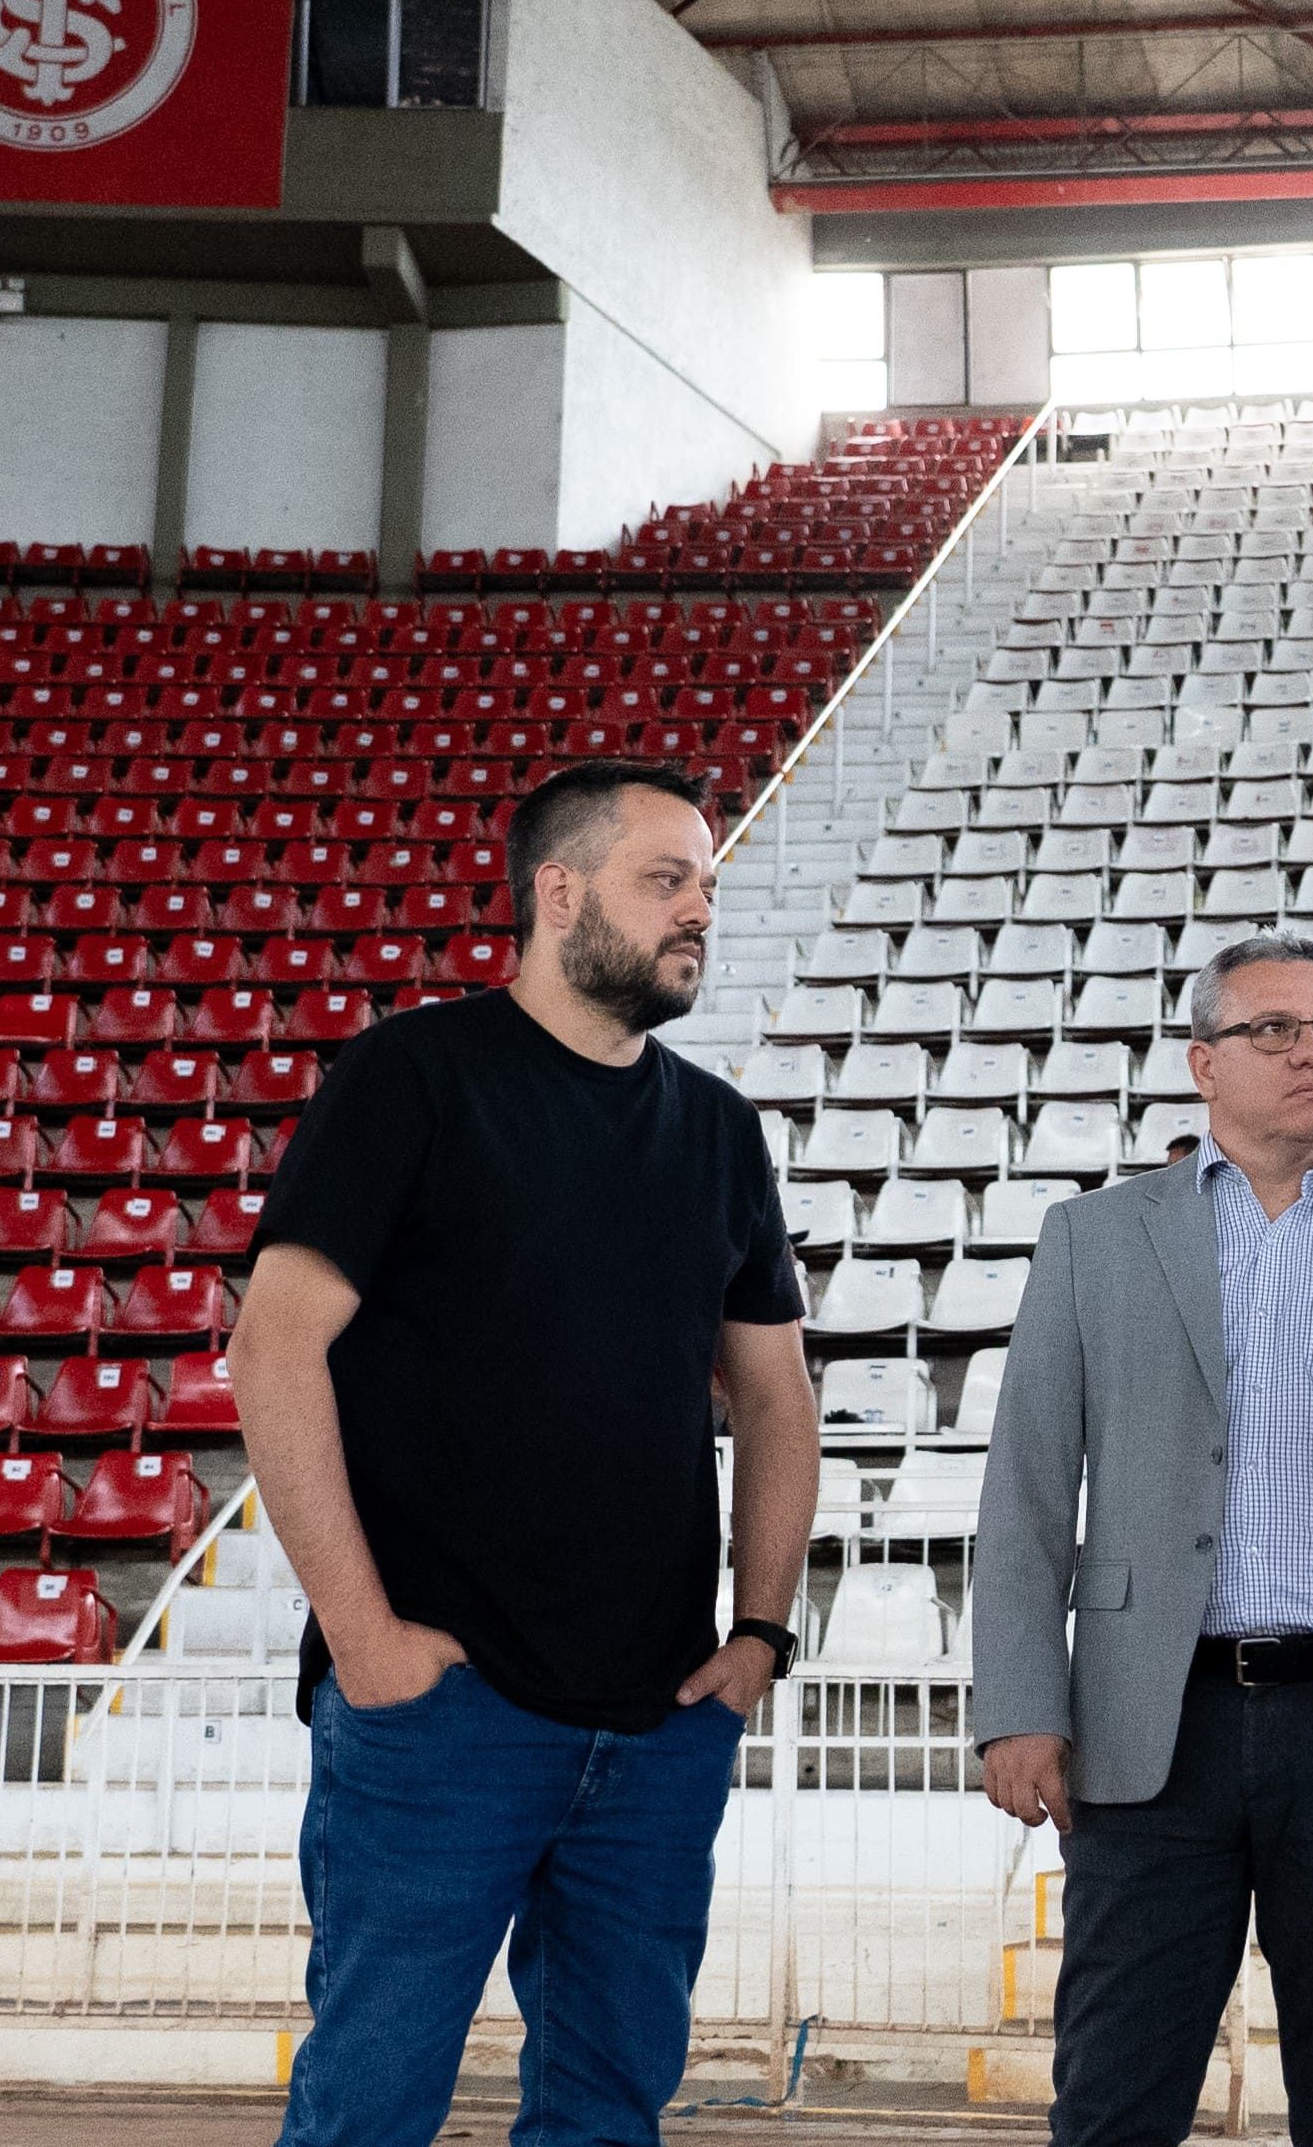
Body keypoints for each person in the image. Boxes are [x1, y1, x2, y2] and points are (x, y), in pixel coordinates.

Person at [228, 760, 819, 2147]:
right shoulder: (410, 1079)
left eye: (708, 890)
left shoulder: (719, 1130)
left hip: (663, 1719)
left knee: (609, 2111)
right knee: (371, 2107)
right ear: (558, 892)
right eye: (666, 881)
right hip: (446, 1712)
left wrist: (761, 1636)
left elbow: (780, 1402)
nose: (697, 914)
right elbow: (273, 1349)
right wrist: (365, 1640)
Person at [972, 933, 1313, 2147]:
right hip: (1149, 1731)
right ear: (1201, 1063)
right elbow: (1023, 1491)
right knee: (1117, 2095)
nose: (1311, 1053)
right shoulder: (1093, 1241)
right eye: (1274, 1031)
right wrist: (1020, 1702)